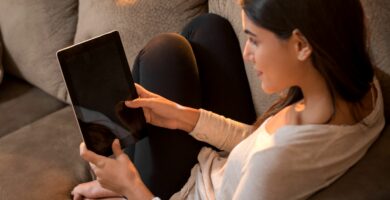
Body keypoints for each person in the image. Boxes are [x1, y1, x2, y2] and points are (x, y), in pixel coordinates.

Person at [71, 0, 385, 199]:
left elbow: (266, 157)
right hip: (225, 163)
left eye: (254, 40)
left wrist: (129, 186)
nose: (247, 54)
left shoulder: (273, 167)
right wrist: (184, 116)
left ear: (302, 44)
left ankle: (120, 180)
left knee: (164, 52)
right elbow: (257, 141)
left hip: (186, 191)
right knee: (209, 27)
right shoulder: (365, 87)